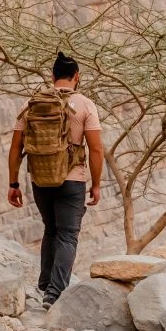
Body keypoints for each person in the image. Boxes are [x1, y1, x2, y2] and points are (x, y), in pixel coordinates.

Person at [7, 53, 110, 304]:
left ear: (52, 77)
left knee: (51, 230)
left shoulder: (32, 103)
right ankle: (55, 294)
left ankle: (44, 286)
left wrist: (13, 184)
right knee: (67, 234)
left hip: (40, 178)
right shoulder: (86, 105)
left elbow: (15, 147)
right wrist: (95, 184)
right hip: (72, 179)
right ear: (76, 77)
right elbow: (96, 149)